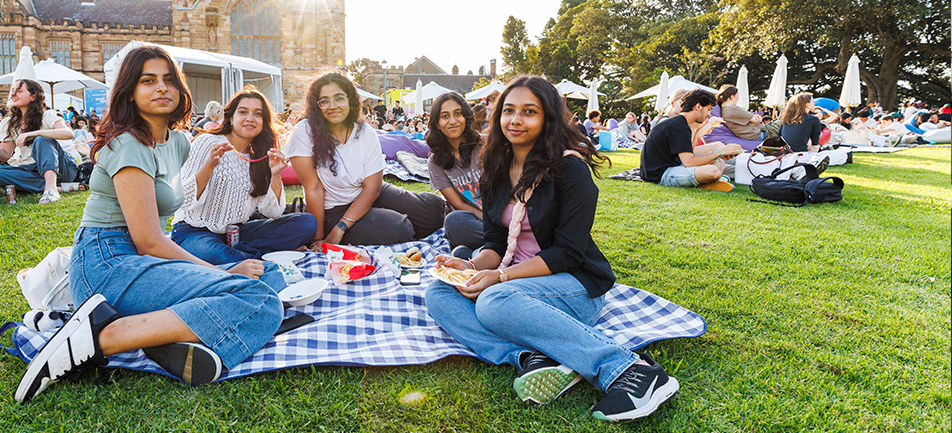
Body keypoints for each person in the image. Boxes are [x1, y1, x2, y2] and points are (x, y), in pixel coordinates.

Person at [14, 45, 284, 403]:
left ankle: (158, 335)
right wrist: (225, 270)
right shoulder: (129, 143)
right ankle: (97, 338)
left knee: (272, 277)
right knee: (258, 300)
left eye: (169, 80)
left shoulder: (178, 143)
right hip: (108, 262)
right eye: (148, 80)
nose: (161, 88)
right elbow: (148, 241)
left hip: (144, 260)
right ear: (130, 91)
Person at [426, 75, 679, 422]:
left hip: (571, 285)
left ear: (548, 118)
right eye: (509, 111)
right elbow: (495, 243)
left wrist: (499, 277)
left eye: (529, 112)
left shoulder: (569, 169)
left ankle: (628, 370)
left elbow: (568, 253)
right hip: (515, 287)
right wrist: (470, 267)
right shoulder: (495, 169)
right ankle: (534, 359)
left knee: (494, 300)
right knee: (439, 293)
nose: (516, 120)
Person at [285, 73, 445, 247]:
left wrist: (341, 229)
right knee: (400, 228)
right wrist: (322, 237)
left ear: (350, 99)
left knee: (433, 211)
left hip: (369, 194)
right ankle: (388, 223)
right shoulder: (305, 132)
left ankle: (383, 218)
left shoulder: (365, 132)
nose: (332, 106)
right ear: (316, 106)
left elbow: (373, 187)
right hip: (333, 210)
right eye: (324, 101)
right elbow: (314, 189)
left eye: (339, 98)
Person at [172, 88, 317, 264]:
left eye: (258, 114)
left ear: (264, 122)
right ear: (231, 118)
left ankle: (239, 259)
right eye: (243, 112)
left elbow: (274, 212)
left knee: (306, 223)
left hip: (237, 233)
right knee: (214, 254)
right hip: (194, 231)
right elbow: (183, 200)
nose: (250, 118)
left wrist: (275, 174)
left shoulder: (261, 155)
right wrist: (209, 165)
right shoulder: (207, 142)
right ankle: (262, 259)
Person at [0, 79, 76, 204]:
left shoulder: (47, 115)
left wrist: (35, 133)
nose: (13, 94)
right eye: (12, 91)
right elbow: (5, 155)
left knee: (42, 140)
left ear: (33, 97)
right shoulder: (9, 123)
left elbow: (68, 133)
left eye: (19, 91)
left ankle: (51, 189)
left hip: (60, 167)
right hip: (32, 170)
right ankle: (51, 187)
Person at [640, 89, 742, 191]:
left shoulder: (683, 123)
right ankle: (705, 182)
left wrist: (696, 129)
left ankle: (704, 182)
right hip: (659, 175)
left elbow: (690, 153)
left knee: (719, 163)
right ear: (698, 107)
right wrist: (719, 152)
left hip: (673, 165)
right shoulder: (678, 126)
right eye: (708, 109)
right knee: (712, 171)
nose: (709, 114)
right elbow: (689, 162)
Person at [426, 92, 484, 252]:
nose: (452, 121)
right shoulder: (435, 162)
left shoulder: (484, 145)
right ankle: (493, 249)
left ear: (465, 117)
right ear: (437, 123)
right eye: (445, 116)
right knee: (454, 221)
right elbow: (458, 204)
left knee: (462, 252)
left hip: (504, 215)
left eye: (458, 114)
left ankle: (485, 253)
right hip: (478, 222)